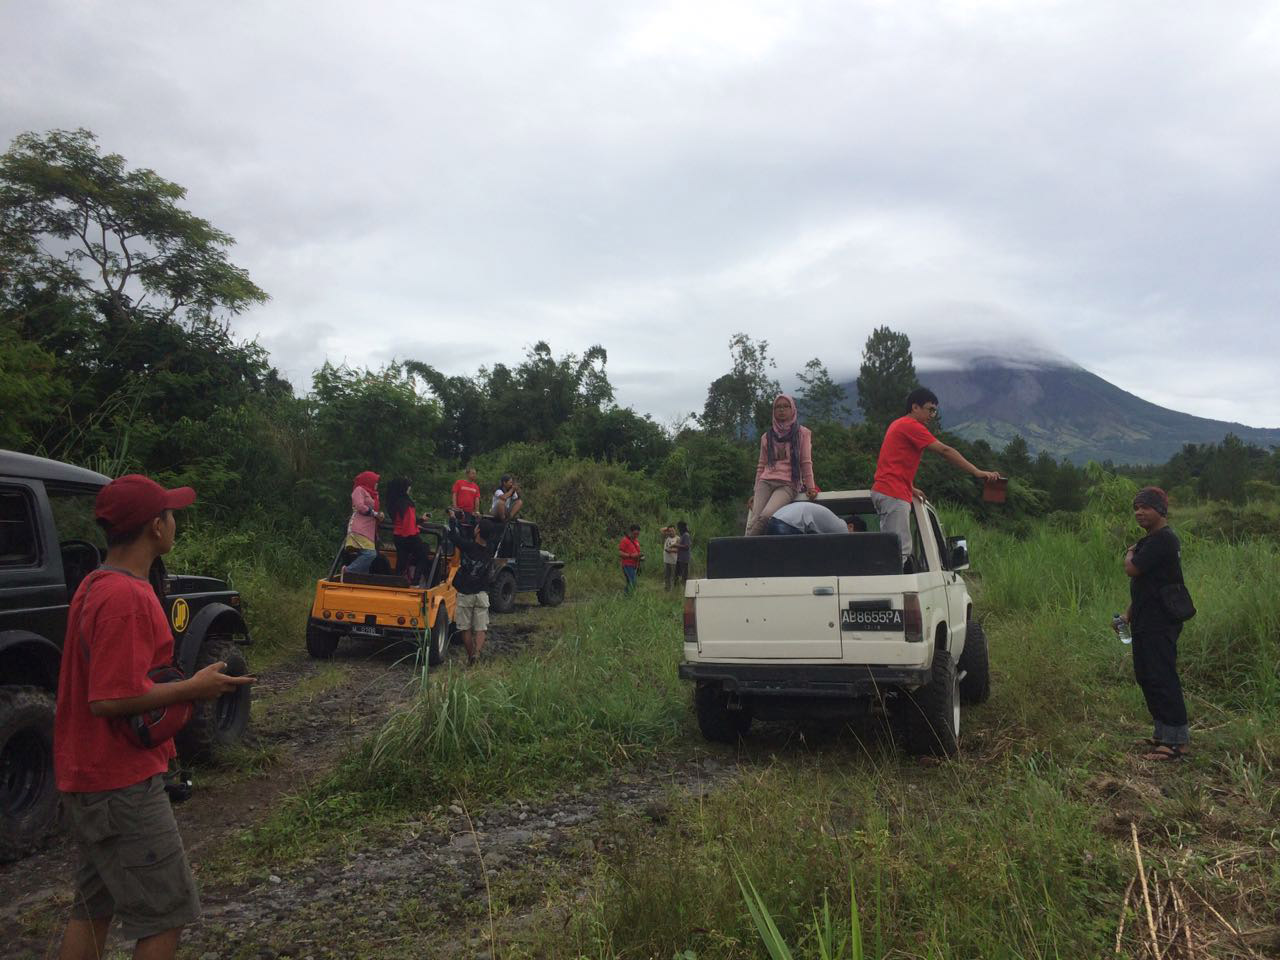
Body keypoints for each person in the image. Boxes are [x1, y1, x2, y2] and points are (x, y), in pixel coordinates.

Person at [54, 474, 254, 960]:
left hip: (91, 779)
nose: (174, 520)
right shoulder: (126, 598)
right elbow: (107, 700)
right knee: (167, 913)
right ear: (154, 528)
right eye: (169, 513)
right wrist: (194, 687)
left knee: (92, 907)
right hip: (120, 784)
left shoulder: (96, 585)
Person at [871, 387, 1000, 563]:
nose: (932, 415)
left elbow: (891, 463)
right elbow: (945, 450)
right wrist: (977, 472)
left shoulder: (898, 424)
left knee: (894, 548)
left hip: (889, 489)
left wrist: (910, 487)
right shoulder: (911, 425)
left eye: (935, 410)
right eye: (930, 409)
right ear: (915, 407)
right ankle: (892, 589)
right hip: (892, 492)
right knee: (898, 552)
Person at [1120, 486, 1191, 761]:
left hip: (1160, 621)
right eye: (1136, 508)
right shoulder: (1150, 540)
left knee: (1162, 677)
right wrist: (1128, 614)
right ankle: (1163, 734)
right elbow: (1145, 584)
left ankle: (1177, 743)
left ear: (1160, 510)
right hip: (1145, 618)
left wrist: (1129, 554)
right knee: (1147, 676)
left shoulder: (1163, 540)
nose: (1139, 512)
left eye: (1145, 507)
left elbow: (1133, 569)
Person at [746, 394, 818, 536]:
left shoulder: (802, 433)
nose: (782, 410)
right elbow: (761, 465)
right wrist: (755, 491)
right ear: (773, 411)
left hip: (788, 484)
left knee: (766, 516)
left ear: (793, 410)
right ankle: (746, 553)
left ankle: (742, 549)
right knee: (753, 520)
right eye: (778, 407)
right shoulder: (767, 436)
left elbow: (805, 462)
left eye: (786, 406)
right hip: (765, 481)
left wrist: (811, 487)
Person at [447, 511, 496, 665]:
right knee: (481, 627)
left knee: (465, 628)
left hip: (465, 593)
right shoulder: (491, 548)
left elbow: (454, 537)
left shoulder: (467, 546)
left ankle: (470, 656)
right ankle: (477, 654)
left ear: (478, 531)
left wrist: (453, 519)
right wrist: (480, 522)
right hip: (482, 593)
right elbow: (480, 536)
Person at [386, 477, 431, 585]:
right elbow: (409, 524)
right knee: (423, 553)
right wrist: (416, 528)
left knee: (401, 560)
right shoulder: (407, 503)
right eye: (408, 486)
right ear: (404, 488)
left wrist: (419, 520)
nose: (409, 488)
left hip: (398, 536)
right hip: (409, 536)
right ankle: (416, 582)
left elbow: (402, 520)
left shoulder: (394, 501)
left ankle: (396, 581)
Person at [344, 470, 383, 574]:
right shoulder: (359, 490)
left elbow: (374, 510)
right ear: (369, 481)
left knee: (366, 562)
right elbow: (360, 506)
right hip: (359, 528)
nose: (377, 484)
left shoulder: (373, 494)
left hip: (369, 531)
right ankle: (348, 571)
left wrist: (379, 515)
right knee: (370, 554)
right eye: (375, 481)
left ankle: (360, 580)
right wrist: (375, 514)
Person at [765, 500, 858, 535]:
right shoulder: (843, 528)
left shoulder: (833, 521)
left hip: (773, 522)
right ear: (850, 527)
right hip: (787, 526)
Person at [618, 524, 643, 594]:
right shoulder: (624, 540)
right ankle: (628, 596)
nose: (636, 535)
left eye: (638, 534)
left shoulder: (636, 541)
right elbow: (620, 553)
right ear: (631, 532)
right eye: (635, 533)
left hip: (635, 565)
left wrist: (640, 556)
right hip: (627, 564)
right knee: (633, 581)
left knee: (630, 581)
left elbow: (638, 552)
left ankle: (626, 595)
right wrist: (631, 556)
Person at [661, 525, 679, 591]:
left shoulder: (678, 538)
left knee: (673, 576)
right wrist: (667, 528)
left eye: (672, 530)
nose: (671, 532)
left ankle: (673, 590)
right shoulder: (666, 537)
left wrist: (670, 550)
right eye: (670, 531)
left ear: (675, 530)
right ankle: (667, 589)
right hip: (666, 560)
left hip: (674, 561)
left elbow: (678, 550)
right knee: (666, 576)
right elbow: (661, 530)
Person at [675, 521, 692, 585]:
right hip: (680, 558)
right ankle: (679, 587)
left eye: (678, 527)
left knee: (684, 575)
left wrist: (677, 545)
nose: (677, 529)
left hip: (684, 559)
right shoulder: (682, 535)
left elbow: (687, 546)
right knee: (679, 574)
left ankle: (684, 588)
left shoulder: (686, 535)